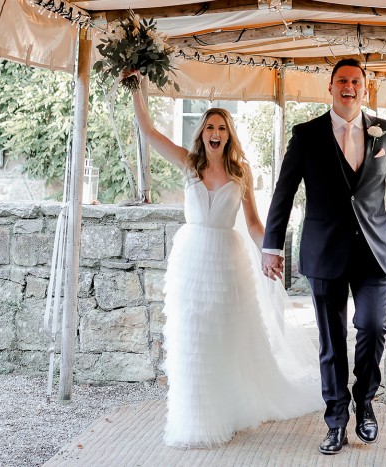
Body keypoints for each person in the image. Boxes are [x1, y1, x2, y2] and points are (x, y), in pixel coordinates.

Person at [126, 71, 323, 449]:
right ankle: (195, 418)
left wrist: (272, 250)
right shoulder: (188, 164)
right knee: (193, 338)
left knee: (223, 339)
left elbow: (252, 223)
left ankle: (227, 410)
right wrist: (137, 89)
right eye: (210, 127)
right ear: (201, 132)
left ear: (229, 135)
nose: (216, 133)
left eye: (223, 127)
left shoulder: (240, 172)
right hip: (191, 262)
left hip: (228, 263)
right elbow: (150, 132)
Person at [262, 58, 386, 455]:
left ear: (364, 89)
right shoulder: (306, 134)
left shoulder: (385, 132)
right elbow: (283, 193)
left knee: (371, 328)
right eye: (341, 81)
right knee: (332, 342)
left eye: (355, 81)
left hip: (376, 251)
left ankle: (365, 402)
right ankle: (335, 420)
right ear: (330, 88)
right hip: (324, 251)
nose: (348, 87)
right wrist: (271, 246)